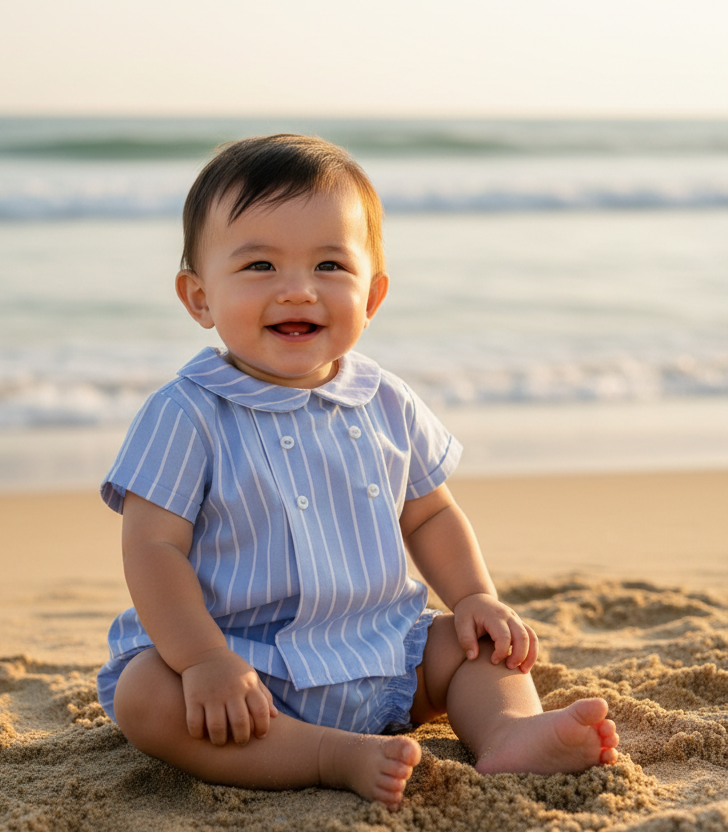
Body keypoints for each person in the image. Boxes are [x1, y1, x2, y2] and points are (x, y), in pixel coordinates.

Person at [96, 134, 619, 810]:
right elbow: (152, 547)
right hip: (245, 672)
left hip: (381, 653)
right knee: (146, 697)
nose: (297, 289)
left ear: (371, 297)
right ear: (198, 297)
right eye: (258, 264)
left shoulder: (385, 400)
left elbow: (429, 513)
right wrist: (202, 660)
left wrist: (472, 598)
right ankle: (327, 754)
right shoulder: (186, 414)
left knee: (477, 648)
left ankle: (509, 733)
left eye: (329, 266)